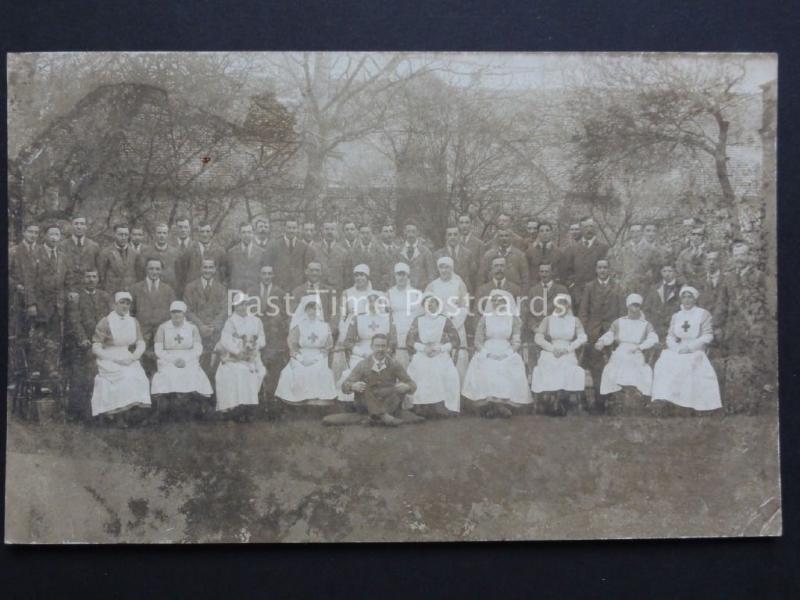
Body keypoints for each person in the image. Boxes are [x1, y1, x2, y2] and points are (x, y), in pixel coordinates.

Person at [462, 290, 532, 417]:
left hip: (506, 349)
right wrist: (487, 353)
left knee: (512, 363)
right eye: (494, 300)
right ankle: (496, 406)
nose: (496, 303)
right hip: (488, 348)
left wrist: (508, 353)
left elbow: (516, 341)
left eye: (500, 300)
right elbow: (478, 341)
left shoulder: (513, 319)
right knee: (485, 363)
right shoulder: (485, 318)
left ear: (506, 302)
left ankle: (499, 405)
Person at [651, 286, 722, 412]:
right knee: (664, 360)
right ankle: (664, 399)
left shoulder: (703, 314)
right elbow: (670, 336)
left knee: (688, 363)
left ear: (695, 299)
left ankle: (687, 403)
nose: (687, 300)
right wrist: (676, 348)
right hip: (679, 348)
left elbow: (708, 335)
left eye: (690, 297)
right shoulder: (677, 316)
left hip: (696, 349)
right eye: (684, 297)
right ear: (681, 299)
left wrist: (690, 347)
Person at [326, 334, 418, 427]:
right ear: (371, 347)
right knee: (364, 386)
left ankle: (375, 418)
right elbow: (345, 385)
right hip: (367, 404)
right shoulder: (363, 364)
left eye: (383, 346)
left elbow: (412, 384)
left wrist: (407, 386)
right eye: (377, 346)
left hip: (387, 404)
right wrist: (353, 386)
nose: (380, 349)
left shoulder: (394, 364)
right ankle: (383, 417)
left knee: (397, 387)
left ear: (387, 347)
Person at [90, 291, 152, 424]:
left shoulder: (133, 321)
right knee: (123, 378)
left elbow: (140, 342)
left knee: (139, 377)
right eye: (122, 303)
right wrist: (113, 359)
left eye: (127, 303)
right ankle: (119, 416)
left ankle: (133, 414)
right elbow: (96, 346)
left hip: (127, 356)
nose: (125, 306)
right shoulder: (106, 321)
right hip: (109, 357)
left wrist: (134, 356)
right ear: (115, 304)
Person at [151, 301, 213, 419]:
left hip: (189, 359)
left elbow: (198, 348)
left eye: (179, 312)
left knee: (192, 372)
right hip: (168, 358)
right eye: (173, 312)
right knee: (167, 373)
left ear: (184, 313)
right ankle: (165, 409)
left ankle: (195, 407)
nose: (176, 315)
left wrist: (186, 359)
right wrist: (174, 360)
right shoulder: (163, 328)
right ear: (170, 313)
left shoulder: (192, 328)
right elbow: (158, 349)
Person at [66, 269, 113, 421]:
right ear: (83, 279)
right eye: (88, 277)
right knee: (80, 376)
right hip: (82, 344)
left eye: (94, 276)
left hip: (102, 343)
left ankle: (106, 410)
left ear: (98, 278)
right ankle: (78, 412)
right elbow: (74, 321)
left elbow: (111, 319)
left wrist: (106, 340)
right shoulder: (76, 297)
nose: (91, 280)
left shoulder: (104, 296)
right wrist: (83, 339)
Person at [578, 259, 626, 409]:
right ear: (596, 270)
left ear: (609, 270)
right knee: (596, 366)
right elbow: (584, 311)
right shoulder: (590, 287)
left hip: (611, 333)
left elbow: (622, 312)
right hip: (593, 333)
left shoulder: (617, 287)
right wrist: (584, 332)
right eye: (600, 268)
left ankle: (609, 398)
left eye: (605, 267)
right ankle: (599, 399)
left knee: (611, 365)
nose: (603, 270)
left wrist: (619, 333)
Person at [275, 295, 338, 406]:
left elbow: (327, 346)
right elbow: (293, 346)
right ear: (305, 310)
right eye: (309, 308)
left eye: (315, 308)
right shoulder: (298, 326)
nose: (312, 311)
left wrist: (317, 358)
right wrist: (301, 359)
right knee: (294, 373)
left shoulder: (325, 326)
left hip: (319, 356)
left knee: (321, 373)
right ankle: (299, 402)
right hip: (301, 355)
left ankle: (316, 403)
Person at [531, 293, 587, 415]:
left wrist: (568, 349)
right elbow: (538, 337)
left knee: (566, 365)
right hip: (551, 350)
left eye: (564, 303)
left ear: (568, 306)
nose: (561, 306)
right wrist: (551, 348)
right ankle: (551, 399)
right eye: (558, 303)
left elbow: (582, 337)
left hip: (567, 351)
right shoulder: (548, 319)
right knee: (548, 364)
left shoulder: (574, 320)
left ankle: (560, 400)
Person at [24, 224, 68, 379]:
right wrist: (31, 304)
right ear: (45, 236)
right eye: (51, 234)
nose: (54, 237)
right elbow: (29, 281)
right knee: (38, 338)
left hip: (57, 305)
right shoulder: (35, 254)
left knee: (54, 339)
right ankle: (35, 368)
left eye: (57, 234)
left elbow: (66, 281)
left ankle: (51, 368)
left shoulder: (63, 256)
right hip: (40, 305)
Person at [406, 293, 461, 416]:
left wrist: (441, 348)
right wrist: (423, 348)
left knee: (444, 371)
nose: (430, 306)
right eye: (427, 304)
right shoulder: (418, 320)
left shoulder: (444, 320)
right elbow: (409, 340)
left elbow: (456, 340)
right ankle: (421, 404)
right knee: (420, 369)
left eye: (433, 303)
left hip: (440, 353)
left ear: (438, 305)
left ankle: (442, 406)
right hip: (422, 352)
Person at [594, 294, 659, 398]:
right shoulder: (619, 322)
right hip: (621, 350)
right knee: (618, 363)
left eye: (637, 306)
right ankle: (620, 393)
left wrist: (640, 347)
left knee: (636, 365)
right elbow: (610, 335)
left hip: (636, 350)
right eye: (633, 305)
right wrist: (602, 341)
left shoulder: (645, 324)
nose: (635, 308)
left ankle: (632, 394)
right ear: (628, 306)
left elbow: (653, 338)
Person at [214, 292, 266, 420]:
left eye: (244, 304)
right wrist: (238, 352)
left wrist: (255, 347)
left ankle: (249, 407)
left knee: (257, 372)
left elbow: (262, 338)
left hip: (252, 355)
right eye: (239, 305)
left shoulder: (256, 320)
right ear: (234, 306)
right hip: (234, 355)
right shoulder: (230, 321)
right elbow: (225, 340)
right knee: (234, 371)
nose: (242, 307)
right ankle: (234, 407)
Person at [338, 291, 395, 402]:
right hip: (362, 352)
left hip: (381, 352)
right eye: (370, 301)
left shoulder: (387, 318)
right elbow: (348, 342)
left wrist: (383, 353)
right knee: (354, 372)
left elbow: (393, 341)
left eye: (376, 301)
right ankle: (354, 403)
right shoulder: (358, 318)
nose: (373, 304)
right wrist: (361, 353)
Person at [425, 256, 469, 381]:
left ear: (452, 268)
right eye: (441, 267)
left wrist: (453, 325)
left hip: (457, 326)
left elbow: (464, 307)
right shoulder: (432, 285)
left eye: (447, 267)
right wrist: (439, 325)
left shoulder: (459, 284)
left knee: (458, 361)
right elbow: (427, 307)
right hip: (438, 328)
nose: (444, 270)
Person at [247, 264, 289, 399]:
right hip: (255, 336)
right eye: (264, 273)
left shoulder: (280, 293)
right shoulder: (251, 291)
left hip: (273, 338)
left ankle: (271, 399)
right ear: (260, 275)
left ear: (273, 276)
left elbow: (284, 315)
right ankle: (256, 397)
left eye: (269, 274)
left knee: (273, 369)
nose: (266, 276)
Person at [130, 258, 177, 372]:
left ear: (161, 271)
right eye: (151, 269)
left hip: (161, 332)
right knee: (138, 361)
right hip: (142, 331)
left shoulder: (168, 289)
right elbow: (131, 312)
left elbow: (173, 312)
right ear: (146, 270)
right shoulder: (135, 288)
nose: (154, 272)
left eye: (157, 269)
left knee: (162, 362)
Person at [183, 258, 227, 376]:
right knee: (196, 365)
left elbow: (224, 310)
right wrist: (200, 326)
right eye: (205, 267)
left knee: (214, 367)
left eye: (210, 267)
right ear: (200, 269)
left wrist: (213, 326)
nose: (208, 270)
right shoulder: (190, 287)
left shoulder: (221, 288)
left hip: (215, 333)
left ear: (215, 269)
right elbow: (188, 310)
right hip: (197, 332)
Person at [333, 263, 374, 381]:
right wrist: (342, 333)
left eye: (362, 275)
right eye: (356, 275)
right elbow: (342, 315)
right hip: (350, 326)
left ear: (367, 277)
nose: (359, 278)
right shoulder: (347, 293)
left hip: (367, 327)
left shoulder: (374, 293)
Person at [524, 263, 570, 369]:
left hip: (556, 331)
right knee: (536, 358)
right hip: (537, 331)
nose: (544, 274)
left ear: (552, 273)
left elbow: (566, 312)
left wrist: (555, 328)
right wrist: (534, 327)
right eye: (541, 272)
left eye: (547, 271)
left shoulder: (561, 290)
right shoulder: (533, 290)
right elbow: (528, 313)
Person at [563, 219, 609, 309]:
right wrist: (572, 285)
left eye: (591, 226)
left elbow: (606, 270)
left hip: (597, 292)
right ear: (581, 229)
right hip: (578, 292)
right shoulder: (573, 248)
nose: (589, 229)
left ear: (595, 229)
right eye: (586, 227)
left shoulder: (603, 248)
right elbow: (567, 270)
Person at [387, 262, 423, 368]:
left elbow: (420, 317)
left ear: (408, 276)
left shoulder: (416, 293)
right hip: (396, 334)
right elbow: (387, 316)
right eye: (398, 274)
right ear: (395, 276)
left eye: (404, 274)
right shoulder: (390, 293)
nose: (401, 277)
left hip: (411, 334)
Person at [697, 251, 732, 357]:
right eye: (709, 260)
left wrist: (720, 326)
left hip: (722, 326)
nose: (711, 262)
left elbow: (730, 304)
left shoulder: (728, 280)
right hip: (702, 326)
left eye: (714, 260)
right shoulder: (699, 280)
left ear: (720, 262)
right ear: (705, 262)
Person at [265, 219, 316, 292]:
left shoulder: (304, 247)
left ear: (297, 229)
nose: (291, 231)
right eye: (289, 228)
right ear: (284, 228)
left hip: (298, 288)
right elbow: (269, 266)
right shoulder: (274, 246)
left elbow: (307, 269)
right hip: (279, 288)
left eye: (294, 228)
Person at [178, 221, 228, 292]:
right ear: (198, 233)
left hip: (214, 291)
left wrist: (221, 288)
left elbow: (225, 274)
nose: (205, 234)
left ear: (211, 233)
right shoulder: (189, 251)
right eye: (202, 231)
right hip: (194, 291)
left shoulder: (220, 251)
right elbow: (182, 274)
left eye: (207, 231)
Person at [643, 264, 682, 342]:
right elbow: (646, 309)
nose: (667, 274)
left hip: (674, 329)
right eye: (664, 271)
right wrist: (653, 323)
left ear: (675, 273)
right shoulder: (655, 288)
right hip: (656, 328)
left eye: (670, 271)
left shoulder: (680, 288)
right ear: (661, 273)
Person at [62, 215, 100, 293]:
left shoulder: (94, 246)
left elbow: (98, 269)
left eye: (82, 224)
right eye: (76, 224)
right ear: (71, 226)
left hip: (88, 290)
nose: (79, 227)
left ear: (86, 227)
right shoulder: (62, 245)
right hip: (68, 289)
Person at [227, 222, 268, 293]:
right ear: (239, 234)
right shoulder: (231, 252)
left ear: (253, 234)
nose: (246, 235)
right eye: (244, 232)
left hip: (255, 293)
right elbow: (227, 275)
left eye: (249, 232)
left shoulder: (262, 252)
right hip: (236, 292)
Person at [97, 223, 139, 294]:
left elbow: (138, 274)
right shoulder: (106, 252)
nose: (123, 237)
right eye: (120, 234)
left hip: (130, 292)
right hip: (112, 293)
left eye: (126, 235)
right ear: (114, 234)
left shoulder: (135, 253)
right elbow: (101, 275)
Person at [136, 223, 180, 288]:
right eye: (159, 233)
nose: (162, 235)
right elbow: (140, 274)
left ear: (168, 235)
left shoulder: (175, 253)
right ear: (155, 234)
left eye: (164, 233)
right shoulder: (145, 253)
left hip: (171, 289)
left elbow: (179, 274)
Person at [395, 221, 437, 290]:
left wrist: (428, 291)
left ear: (418, 233)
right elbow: (393, 274)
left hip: (421, 291)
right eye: (408, 231)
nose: (411, 235)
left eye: (413, 232)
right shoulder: (398, 252)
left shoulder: (425, 251)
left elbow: (431, 274)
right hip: (402, 290)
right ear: (404, 232)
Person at [435, 225, 476, 292]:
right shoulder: (438, 254)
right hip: (445, 291)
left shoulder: (468, 254)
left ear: (459, 236)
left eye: (455, 234)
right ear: (446, 237)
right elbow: (436, 276)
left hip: (464, 292)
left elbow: (472, 276)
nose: (452, 237)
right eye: (449, 235)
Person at [348, 224, 390, 290]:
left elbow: (386, 273)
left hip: (376, 290)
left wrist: (380, 288)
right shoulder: (352, 252)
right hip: (357, 290)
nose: (365, 236)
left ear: (371, 234)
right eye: (363, 233)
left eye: (368, 233)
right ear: (358, 235)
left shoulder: (380, 251)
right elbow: (348, 274)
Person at [313, 221, 350, 294]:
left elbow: (347, 276)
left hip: (338, 291)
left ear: (336, 232)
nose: (329, 232)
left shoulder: (344, 251)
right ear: (322, 231)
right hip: (318, 291)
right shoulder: (313, 249)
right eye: (326, 229)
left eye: (332, 229)